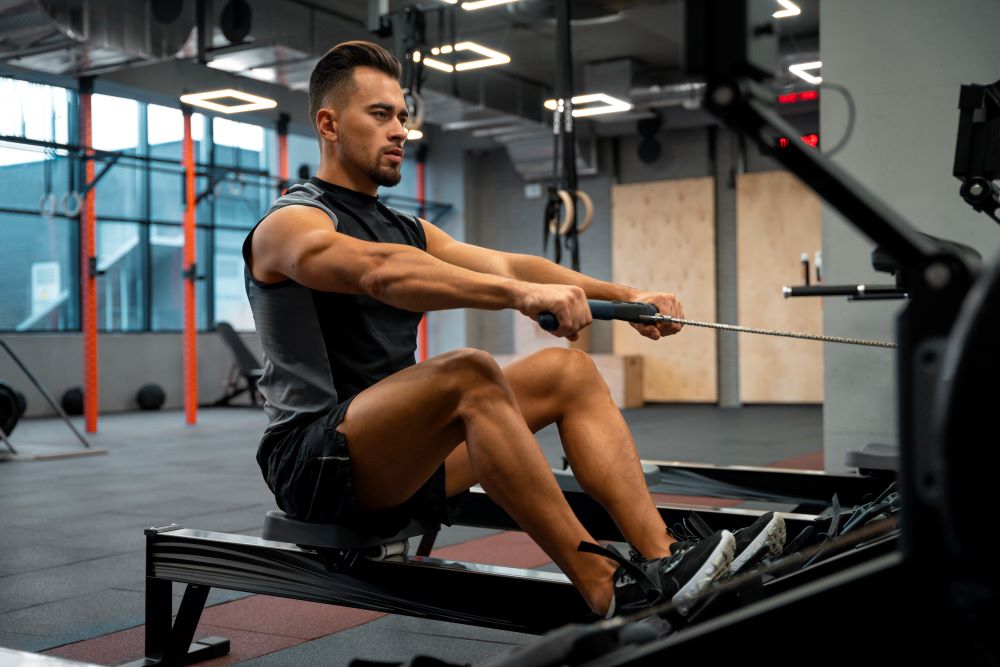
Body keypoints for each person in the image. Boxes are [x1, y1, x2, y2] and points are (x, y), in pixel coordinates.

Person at [243, 40, 784, 619]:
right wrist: (519, 298)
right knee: (468, 372)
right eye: (380, 115)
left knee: (567, 371)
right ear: (328, 123)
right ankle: (604, 584)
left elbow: (510, 265)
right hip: (314, 464)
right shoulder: (291, 224)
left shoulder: (405, 226)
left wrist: (629, 297)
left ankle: (664, 558)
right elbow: (380, 273)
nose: (399, 130)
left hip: (402, 456)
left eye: (402, 116)